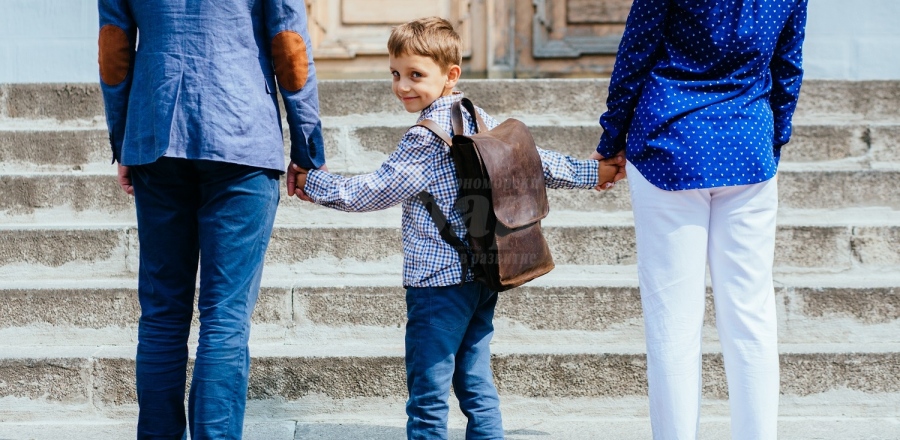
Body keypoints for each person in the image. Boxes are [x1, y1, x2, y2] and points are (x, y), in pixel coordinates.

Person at [287, 17, 624, 440]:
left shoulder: (425, 137)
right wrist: (592, 173)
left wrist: (312, 182)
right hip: (483, 273)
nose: (403, 86)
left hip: (438, 284)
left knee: (427, 394)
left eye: (415, 75)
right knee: (475, 381)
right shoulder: (473, 114)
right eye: (395, 74)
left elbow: (372, 192)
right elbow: (532, 163)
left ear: (450, 75)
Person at [97, 0, 325, 438]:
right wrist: (308, 148)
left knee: (163, 314)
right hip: (241, 130)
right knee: (225, 316)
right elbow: (290, 46)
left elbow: (114, 49)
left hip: (156, 134)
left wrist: (123, 136)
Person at [592, 0, 808, 439]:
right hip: (747, 145)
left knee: (673, 316)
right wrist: (771, 139)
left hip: (670, 143)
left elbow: (635, 53)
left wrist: (611, 138)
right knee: (751, 312)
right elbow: (788, 68)